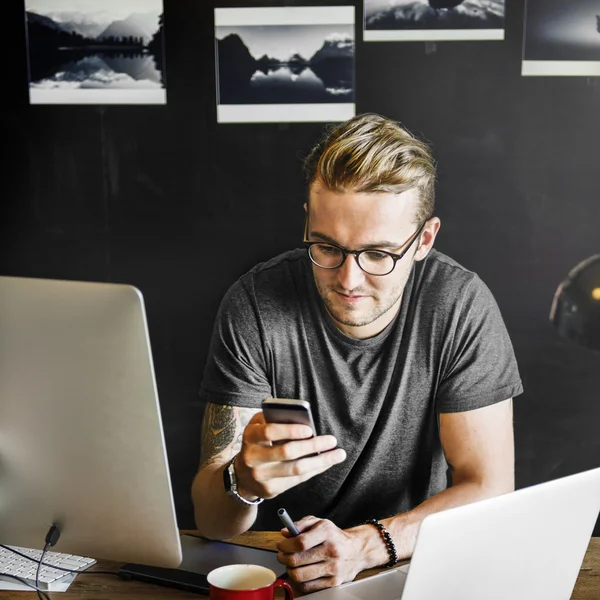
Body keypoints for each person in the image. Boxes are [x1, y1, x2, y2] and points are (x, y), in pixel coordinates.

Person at [191, 113, 523, 594]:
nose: (348, 280)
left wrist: (366, 546)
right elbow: (214, 522)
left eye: (378, 254)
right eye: (326, 246)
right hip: (282, 569)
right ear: (307, 218)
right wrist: (243, 480)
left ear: (423, 240)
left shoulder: (459, 305)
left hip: (412, 564)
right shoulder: (255, 304)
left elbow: (489, 488)